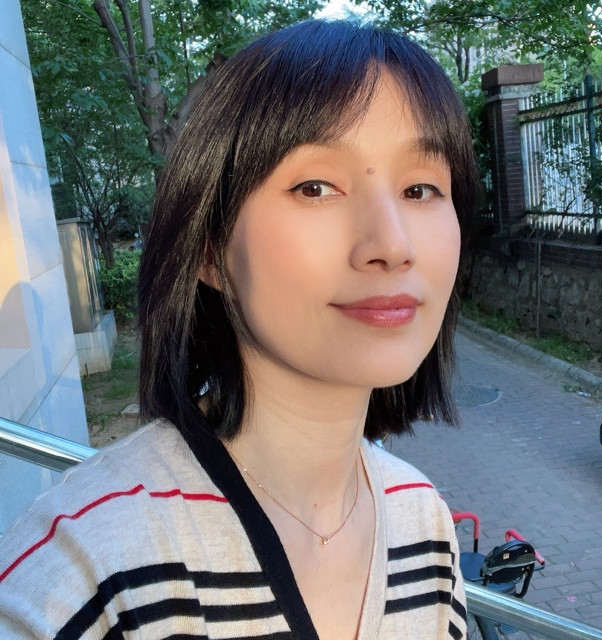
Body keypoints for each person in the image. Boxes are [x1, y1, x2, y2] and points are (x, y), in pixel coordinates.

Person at [0, 19, 475, 639]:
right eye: (315, 187)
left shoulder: (425, 524)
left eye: (421, 188)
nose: (392, 244)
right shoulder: (91, 568)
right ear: (210, 248)